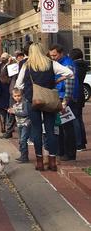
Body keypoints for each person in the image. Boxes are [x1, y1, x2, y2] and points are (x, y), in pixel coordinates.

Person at [24, 43, 73, 172]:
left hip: (33, 100)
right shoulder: (51, 63)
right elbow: (69, 73)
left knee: (36, 130)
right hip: (49, 100)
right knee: (51, 130)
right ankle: (52, 161)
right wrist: (57, 81)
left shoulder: (27, 65)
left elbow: (19, 84)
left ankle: (39, 162)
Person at [49, 44, 78, 161]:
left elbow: (69, 85)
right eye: (51, 55)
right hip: (59, 97)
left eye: (54, 55)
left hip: (65, 99)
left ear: (61, 53)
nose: (52, 57)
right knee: (60, 126)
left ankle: (70, 153)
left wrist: (65, 101)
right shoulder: (60, 63)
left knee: (67, 127)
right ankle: (61, 151)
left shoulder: (68, 64)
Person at [70, 48, 88, 150]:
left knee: (75, 119)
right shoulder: (83, 64)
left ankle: (78, 143)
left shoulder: (75, 65)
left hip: (75, 92)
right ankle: (82, 141)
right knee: (79, 118)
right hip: (81, 91)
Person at [8, 88, 31, 163]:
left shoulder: (25, 103)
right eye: (15, 96)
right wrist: (11, 111)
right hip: (19, 124)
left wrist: (15, 112)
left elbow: (25, 113)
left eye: (19, 96)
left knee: (23, 140)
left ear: (22, 95)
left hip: (25, 123)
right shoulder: (14, 105)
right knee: (21, 140)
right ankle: (23, 155)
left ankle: (24, 157)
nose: (17, 97)